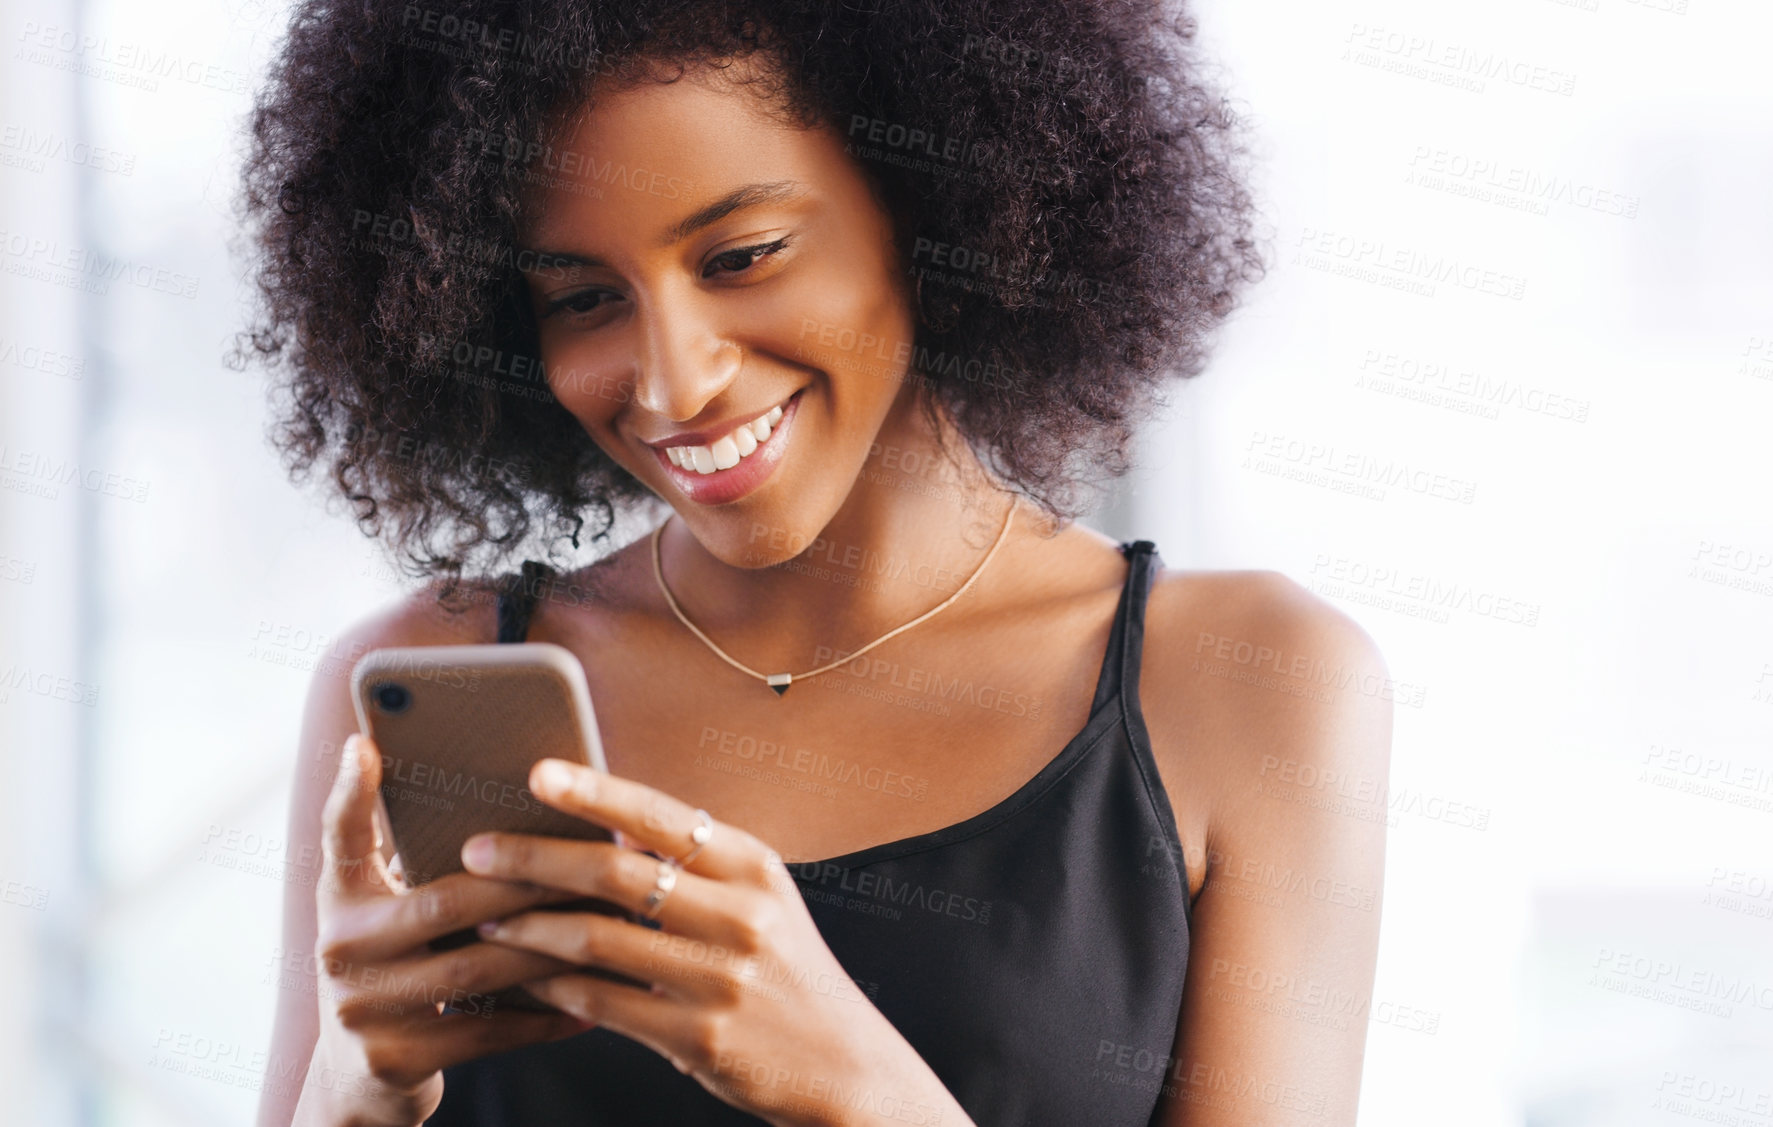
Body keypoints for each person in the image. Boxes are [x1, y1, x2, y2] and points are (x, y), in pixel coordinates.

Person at [241, 2, 1392, 1124]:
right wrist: (354, 1088)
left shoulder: (1249, 684)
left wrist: (849, 1081)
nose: (673, 382)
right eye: (585, 298)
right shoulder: (420, 676)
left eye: (741, 256)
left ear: (937, 207)